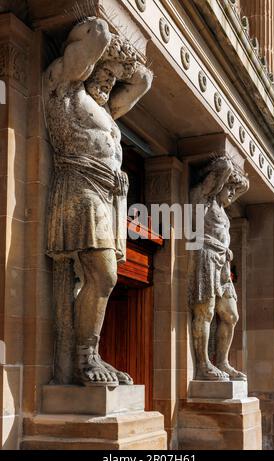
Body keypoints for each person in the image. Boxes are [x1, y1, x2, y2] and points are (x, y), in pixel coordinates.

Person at [43, 17, 153, 386]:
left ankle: (89, 354)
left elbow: (144, 81)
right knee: (104, 276)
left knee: (101, 278)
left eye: (112, 79)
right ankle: (85, 357)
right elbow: (98, 33)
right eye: (102, 74)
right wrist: (110, 47)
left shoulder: (107, 114)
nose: (108, 82)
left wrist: (124, 63)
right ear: (86, 68)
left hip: (106, 196)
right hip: (79, 186)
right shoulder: (65, 89)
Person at [190, 155, 249, 381]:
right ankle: (203, 364)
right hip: (205, 255)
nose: (233, 194)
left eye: (236, 190)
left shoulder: (223, 211)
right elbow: (223, 165)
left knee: (230, 315)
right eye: (230, 188)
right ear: (219, 184)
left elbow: (240, 188)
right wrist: (232, 165)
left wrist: (240, 181)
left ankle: (222, 362)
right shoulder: (202, 197)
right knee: (204, 311)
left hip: (222, 263)